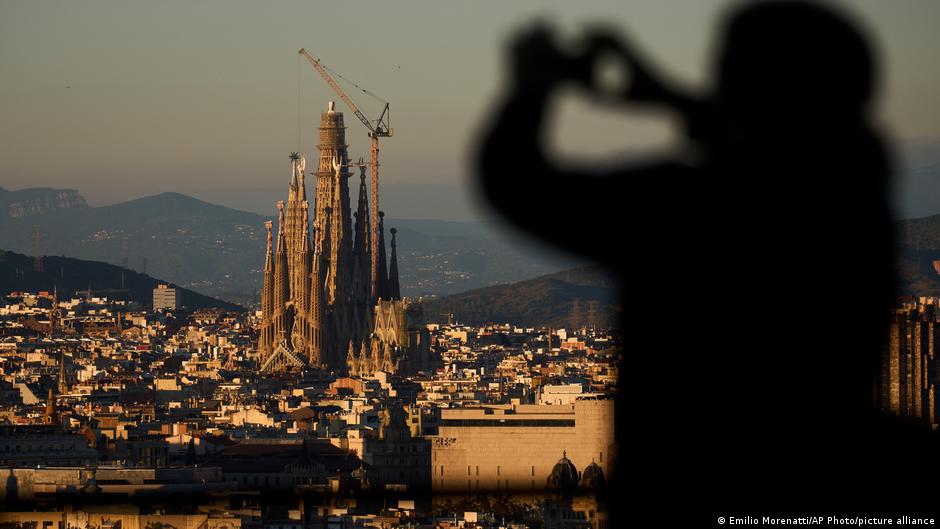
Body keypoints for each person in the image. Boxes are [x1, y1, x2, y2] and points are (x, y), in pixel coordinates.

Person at [476, 1, 935, 523]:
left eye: (726, 74)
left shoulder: (690, 209)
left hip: (694, 484)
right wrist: (671, 97)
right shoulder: (855, 199)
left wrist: (532, 87)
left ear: (740, 91)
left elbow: (519, 185)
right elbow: (792, 139)